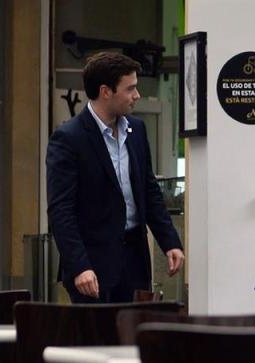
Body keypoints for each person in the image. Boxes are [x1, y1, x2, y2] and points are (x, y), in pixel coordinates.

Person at [47, 52, 184, 303]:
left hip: (134, 260)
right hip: (91, 268)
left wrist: (170, 241)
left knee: (134, 336)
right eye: (130, 88)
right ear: (105, 91)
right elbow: (61, 210)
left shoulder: (137, 130)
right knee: (97, 340)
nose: (137, 95)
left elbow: (149, 190)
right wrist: (79, 266)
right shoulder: (69, 138)